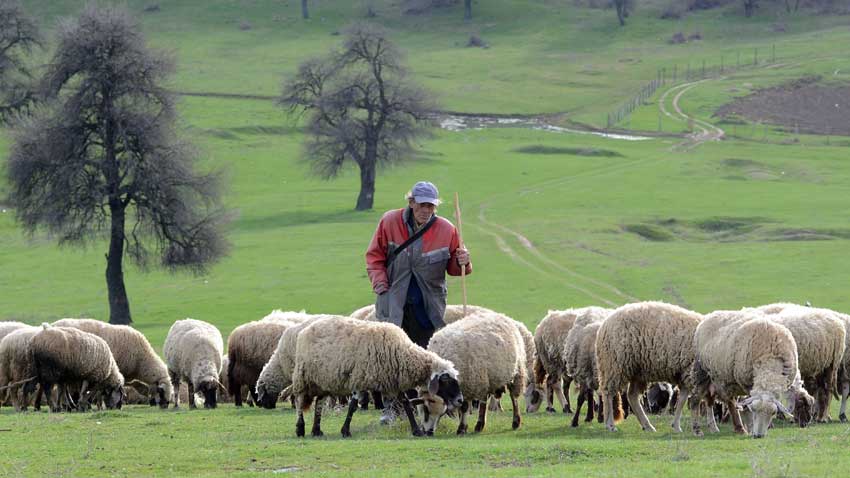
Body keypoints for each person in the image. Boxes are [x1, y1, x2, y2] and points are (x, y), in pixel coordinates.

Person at [365, 180, 471, 423]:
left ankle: (430, 408)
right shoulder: (389, 222)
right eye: (422, 205)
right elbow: (374, 257)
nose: (426, 211)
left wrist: (464, 260)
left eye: (431, 206)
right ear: (411, 203)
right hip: (394, 304)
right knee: (393, 359)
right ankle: (392, 408)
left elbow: (456, 269)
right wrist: (380, 283)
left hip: (428, 307)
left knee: (426, 358)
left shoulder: (447, 229)